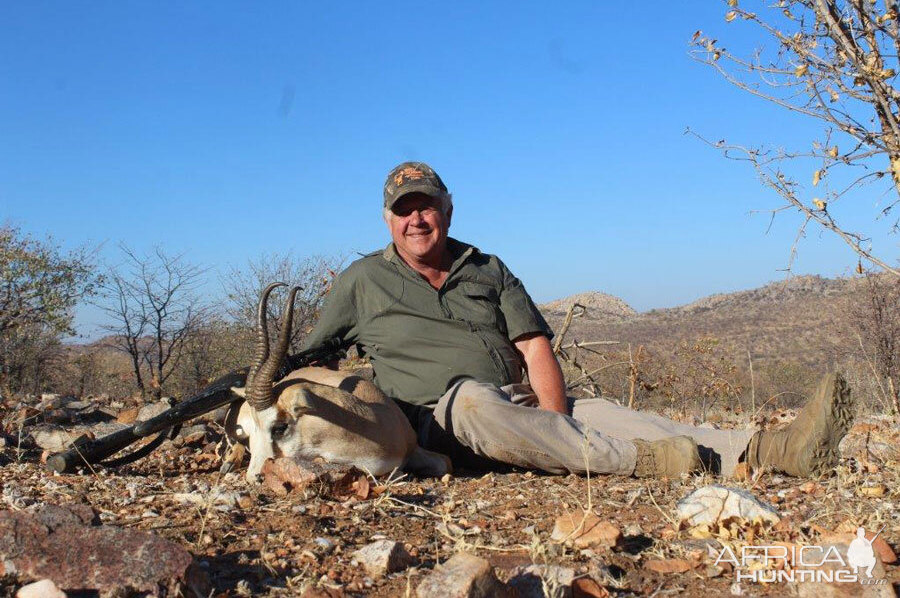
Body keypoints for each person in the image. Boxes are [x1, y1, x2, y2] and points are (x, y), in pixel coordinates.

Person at [302, 161, 854, 478]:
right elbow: (310, 357)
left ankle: (770, 450)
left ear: (447, 210)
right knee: (474, 400)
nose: (416, 219)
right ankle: (649, 464)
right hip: (440, 417)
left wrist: (556, 417)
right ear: (387, 221)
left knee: (605, 412)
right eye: (404, 210)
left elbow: (535, 347)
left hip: (516, 399)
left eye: (425, 205)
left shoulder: (487, 267)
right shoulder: (360, 281)